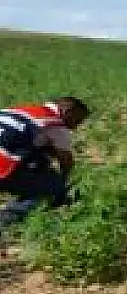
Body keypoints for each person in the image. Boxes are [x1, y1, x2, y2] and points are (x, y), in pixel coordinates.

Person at [0, 96, 90, 227]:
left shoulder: (18, 111)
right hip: (3, 167)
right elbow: (66, 161)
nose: (75, 127)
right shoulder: (55, 124)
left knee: (39, 159)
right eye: (77, 120)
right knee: (53, 188)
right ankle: (8, 216)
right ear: (67, 112)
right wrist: (62, 183)